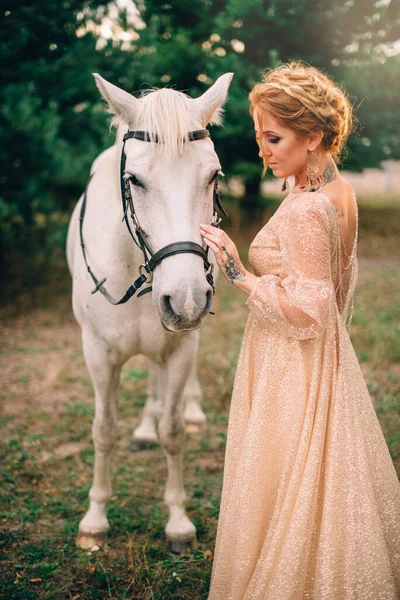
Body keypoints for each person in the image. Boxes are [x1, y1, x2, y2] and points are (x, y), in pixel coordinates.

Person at [200, 60, 400, 600]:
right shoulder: (335, 193)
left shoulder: (310, 207)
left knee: (286, 481)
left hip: (293, 363)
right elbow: (336, 298)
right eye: (259, 137)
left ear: (312, 136)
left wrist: (239, 274)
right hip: (318, 363)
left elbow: (312, 312)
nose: (263, 150)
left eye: (274, 137)